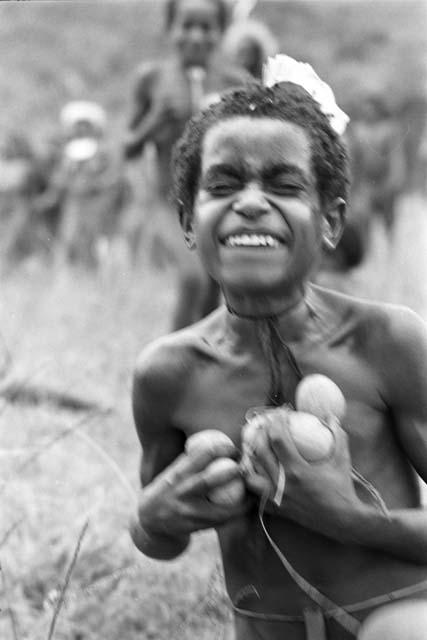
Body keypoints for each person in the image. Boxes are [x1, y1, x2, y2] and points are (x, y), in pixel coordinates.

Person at [129, 56, 427, 640]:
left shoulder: (386, 341)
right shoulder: (168, 372)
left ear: (331, 221)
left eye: (285, 185)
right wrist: (150, 519)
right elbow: (160, 534)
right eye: (224, 183)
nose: (251, 202)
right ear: (190, 219)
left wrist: (350, 519)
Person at [123, 0, 249, 330]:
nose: (195, 36)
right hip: (169, 201)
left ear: (221, 33)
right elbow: (127, 147)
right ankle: (171, 360)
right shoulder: (151, 79)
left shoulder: (237, 82)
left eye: (206, 28)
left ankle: (203, 366)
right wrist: (154, 122)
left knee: (214, 286)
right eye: (186, 26)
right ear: (171, 29)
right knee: (193, 277)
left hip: (220, 203)